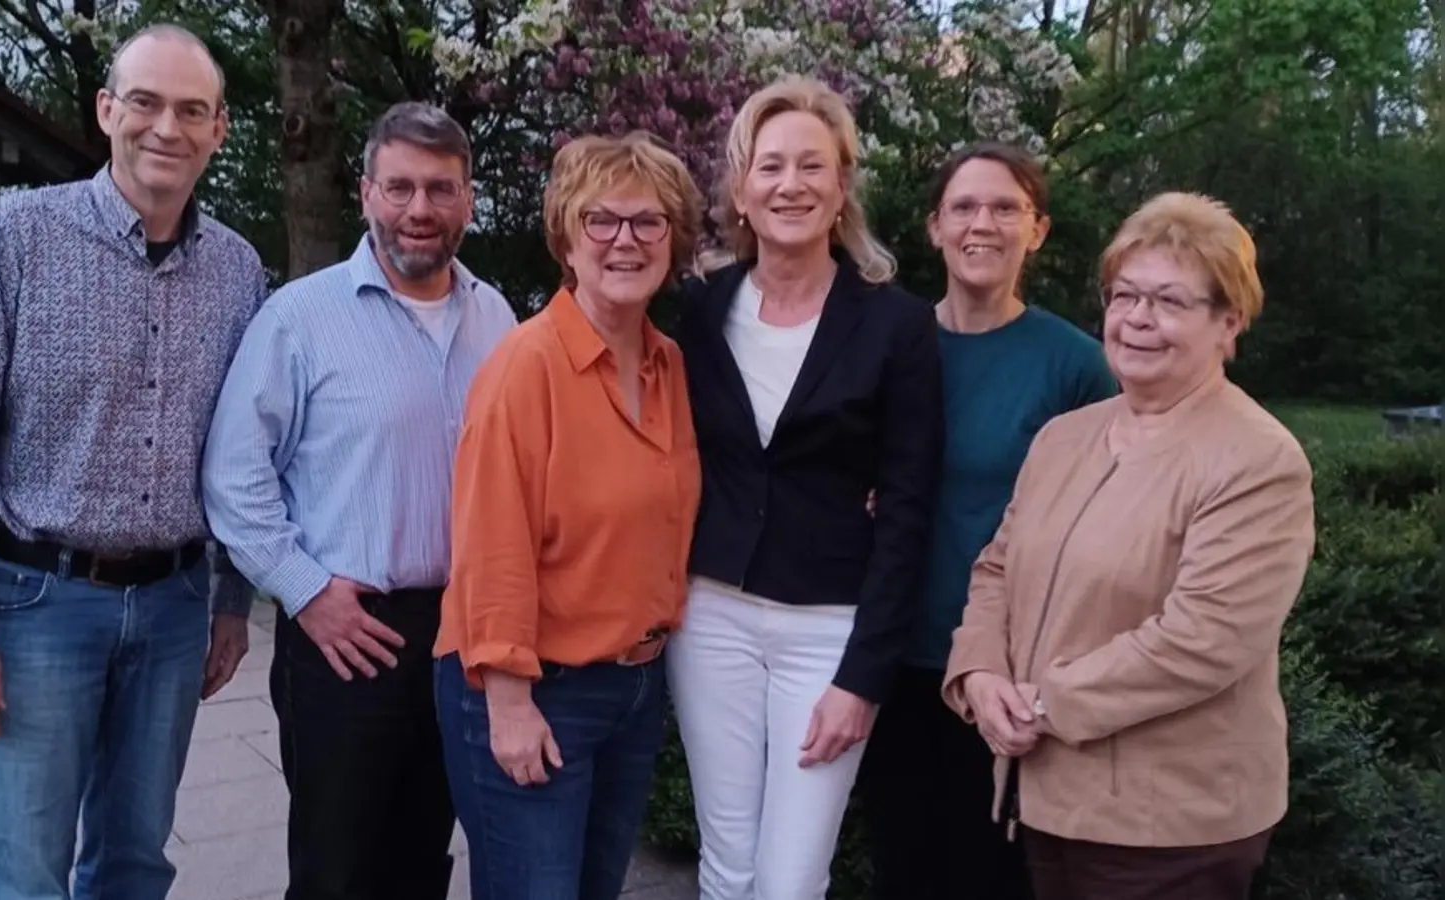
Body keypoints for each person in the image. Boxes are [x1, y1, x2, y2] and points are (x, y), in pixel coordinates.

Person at [0, 24, 263, 900]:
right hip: (36, 607)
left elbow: (248, 455)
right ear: (108, 111)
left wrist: (231, 600)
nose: (165, 128)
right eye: (144, 102)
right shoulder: (14, 241)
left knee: (135, 865)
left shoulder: (241, 271)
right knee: (23, 872)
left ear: (219, 131)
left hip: (176, 610)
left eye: (191, 110)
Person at [942, 191, 1316, 900]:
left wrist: (1044, 705)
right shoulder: (1065, 437)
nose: (1140, 319)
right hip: (1048, 799)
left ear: (1229, 322)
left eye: (1171, 302)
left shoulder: (1257, 459)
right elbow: (997, 569)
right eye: (1126, 296)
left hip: (1169, 825)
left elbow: (1203, 638)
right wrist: (981, 675)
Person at [200, 102, 516, 900]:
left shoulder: (499, 319)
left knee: (423, 859)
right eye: (400, 187)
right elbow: (233, 477)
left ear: (468, 200)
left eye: (440, 189)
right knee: (337, 868)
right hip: (346, 629)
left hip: (460, 635)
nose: (420, 210)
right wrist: (305, 593)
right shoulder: (299, 318)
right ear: (368, 193)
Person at [668, 75, 944, 900]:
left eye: (811, 167)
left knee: (790, 880)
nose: (791, 184)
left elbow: (907, 511)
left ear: (842, 187)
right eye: (770, 166)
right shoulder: (698, 308)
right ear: (742, 193)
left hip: (828, 632)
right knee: (729, 866)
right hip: (710, 616)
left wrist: (863, 677)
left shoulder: (896, 326)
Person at [432, 130, 703, 900]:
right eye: (602, 220)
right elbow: (491, 543)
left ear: (672, 240)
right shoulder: (527, 366)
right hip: (529, 686)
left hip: (633, 689)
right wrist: (509, 704)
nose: (626, 240)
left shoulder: (668, 365)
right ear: (567, 237)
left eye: (648, 222)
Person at [857, 142, 1117, 899]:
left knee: (991, 878)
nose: (984, 224)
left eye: (1006, 208)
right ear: (934, 227)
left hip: (1007, 677)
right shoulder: (887, 344)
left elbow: (1108, 518)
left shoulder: (1074, 365)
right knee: (902, 869)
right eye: (964, 207)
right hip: (891, 657)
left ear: (1036, 230)